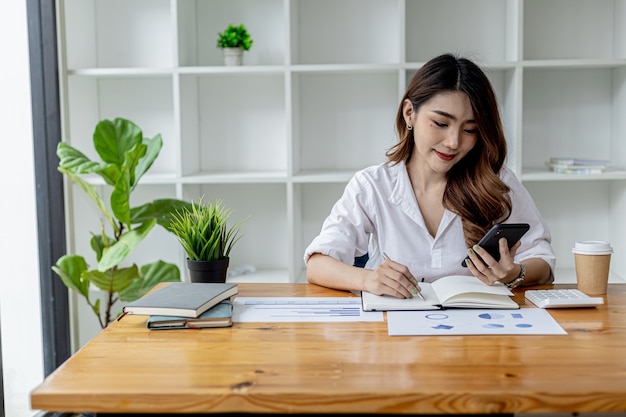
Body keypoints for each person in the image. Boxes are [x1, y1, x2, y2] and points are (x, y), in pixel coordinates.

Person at [303, 53, 555, 299]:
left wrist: (514, 273)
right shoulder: (372, 185)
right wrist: (367, 279)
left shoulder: (497, 182)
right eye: (441, 124)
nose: (454, 142)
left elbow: (542, 260)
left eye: (470, 130)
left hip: (477, 332)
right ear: (409, 113)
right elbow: (317, 264)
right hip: (394, 329)